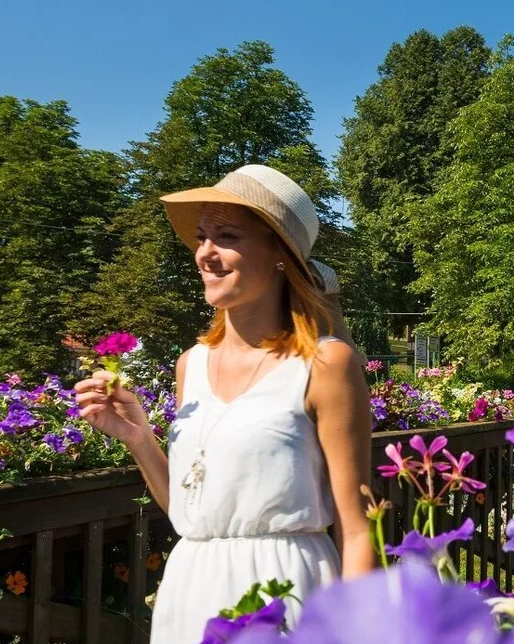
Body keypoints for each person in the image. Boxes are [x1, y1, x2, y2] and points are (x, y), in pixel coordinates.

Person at [72, 164, 374, 642]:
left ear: (281, 254)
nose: (204, 254)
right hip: (191, 591)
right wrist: (139, 438)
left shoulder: (325, 364)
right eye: (201, 237)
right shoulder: (190, 364)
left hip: (289, 592)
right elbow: (194, 514)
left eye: (226, 235)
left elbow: (359, 530)